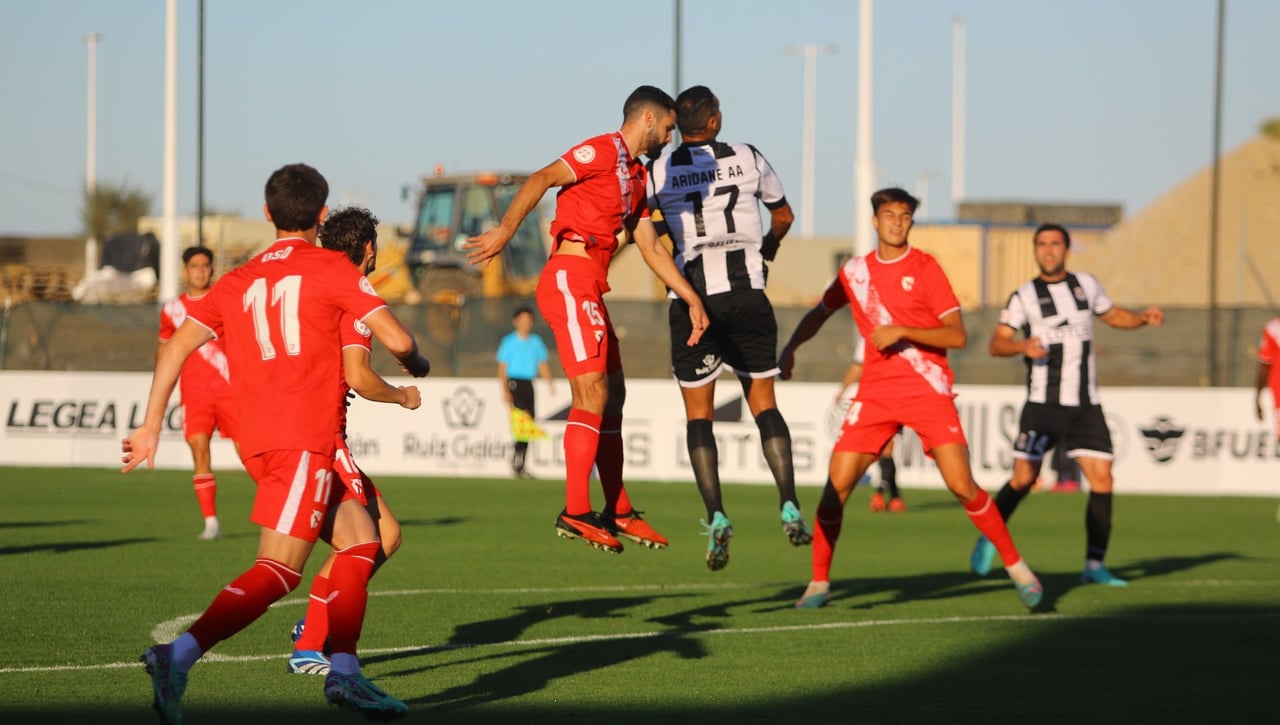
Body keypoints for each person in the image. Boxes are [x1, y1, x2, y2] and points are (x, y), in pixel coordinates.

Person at [123, 163, 431, 722]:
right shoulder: (332, 269)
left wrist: (149, 425)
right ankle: (179, 655)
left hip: (262, 439)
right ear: (321, 213)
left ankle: (346, 672)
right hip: (302, 439)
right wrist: (417, 365)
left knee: (364, 541)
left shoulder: (235, 281)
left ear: (266, 213)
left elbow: (173, 350)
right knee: (281, 570)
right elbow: (399, 338)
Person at [465, 86, 709, 555]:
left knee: (613, 393)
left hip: (591, 285)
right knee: (592, 391)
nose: (671, 137)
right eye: (670, 128)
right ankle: (576, 510)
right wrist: (506, 229)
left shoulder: (637, 177)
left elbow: (652, 247)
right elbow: (540, 178)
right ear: (650, 120)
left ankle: (617, 509)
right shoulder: (600, 149)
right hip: (568, 278)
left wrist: (690, 297)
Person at [778, 187, 1042, 610]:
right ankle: (818, 583)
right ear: (875, 221)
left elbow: (957, 334)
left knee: (961, 484)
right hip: (877, 393)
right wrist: (790, 348)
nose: (897, 222)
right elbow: (819, 313)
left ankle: (1017, 568)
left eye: (904, 215)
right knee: (836, 487)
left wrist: (903, 330)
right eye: (889, 215)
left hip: (926, 389)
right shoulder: (856, 273)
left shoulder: (925, 268)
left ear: (911, 223)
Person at [645, 85, 810, 571]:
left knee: (700, 416)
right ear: (714, 121)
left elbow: (649, 234)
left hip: (692, 297)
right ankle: (787, 500)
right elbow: (783, 215)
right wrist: (768, 252)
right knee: (763, 402)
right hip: (747, 294)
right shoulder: (748, 156)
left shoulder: (658, 168)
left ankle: (716, 515)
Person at [975, 222, 1163, 587]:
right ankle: (989, 535)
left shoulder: (1086, 286)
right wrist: (1022, 346)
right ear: (1035, 251)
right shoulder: (1024, 296)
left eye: (1055, 244)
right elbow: (997, 344)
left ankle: (1094, 565)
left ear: (1066, 250)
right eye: (1042, 244)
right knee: (1023, 478)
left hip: (1085, 405)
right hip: (1043, 404)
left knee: (1103, 479)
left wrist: (1141, 318)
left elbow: (1113, 315)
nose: (1048, 250)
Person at [289, 207, 423, 677]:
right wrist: (403, 395)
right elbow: (360, 376)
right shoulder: (354, 290)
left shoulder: (310, 282)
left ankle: (313, 625)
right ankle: (309, 645)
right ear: (369, 250)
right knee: (359, 545)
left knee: (385, 534)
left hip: (298, 425)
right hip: (321, 433)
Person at [158, 246, 240, 540]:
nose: (200, 271)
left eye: (206, 266)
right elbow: (165, 352)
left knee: (252, 455)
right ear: (185, 271)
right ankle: (211, 524)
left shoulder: (225, 302)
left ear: (212, 269)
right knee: (200, 452)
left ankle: (281, 514)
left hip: (231, 390)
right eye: (194, 266)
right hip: (194, 394)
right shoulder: (172, 310)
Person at [837, 340, 905, 512]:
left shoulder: (901, 331)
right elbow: (858, 366)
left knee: (887, 449)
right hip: (875, 399)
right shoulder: (867, 336)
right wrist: (842, 390)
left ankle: (880, 493)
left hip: (895, 398)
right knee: (882, 450)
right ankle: (894, 497)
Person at [496, 306, 554, 478]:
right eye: (522, 320)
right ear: (515, 322)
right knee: (522, 423)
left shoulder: (536, 342)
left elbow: (542, 364)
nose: (525, 324)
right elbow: (502, 368)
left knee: (529, 423)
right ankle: (517, 460)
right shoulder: (509, 341)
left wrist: (550, 382)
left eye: (528, 321)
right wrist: (505, 389)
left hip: (529, 383)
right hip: (515, 382)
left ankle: (520, 461)